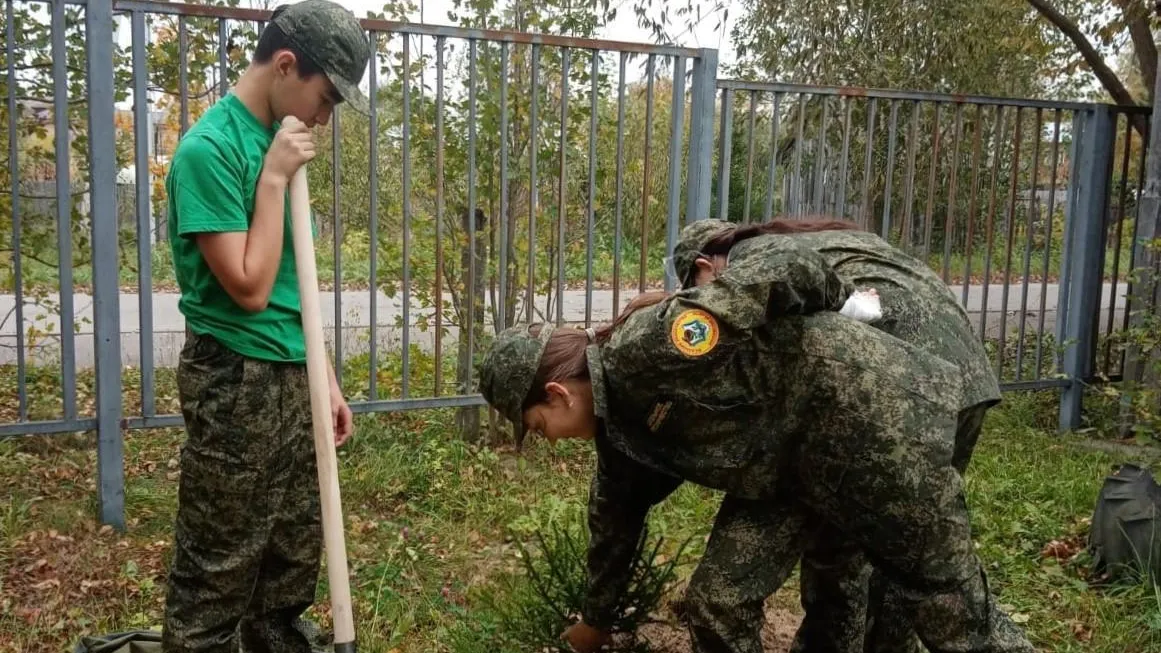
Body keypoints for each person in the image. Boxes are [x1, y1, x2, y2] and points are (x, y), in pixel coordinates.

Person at [477, 250, 1031, 653]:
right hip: (791, 466)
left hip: (869, 426)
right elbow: (613, 521)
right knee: (719, 597)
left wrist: (846, 307)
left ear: (556, 392)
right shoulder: (617, 428)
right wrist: (594, 624)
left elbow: (784, 263)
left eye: (537, 424)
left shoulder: (652, 345)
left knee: (946, 607)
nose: (547, 438)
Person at [669, 216, 1003, 653]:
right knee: (898, 551)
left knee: (869, 546)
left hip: (893, 393)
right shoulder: (822, 235)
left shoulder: (754, 259)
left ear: (704, 265)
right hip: (966, 380)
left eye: (696, 286)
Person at [161, 2, 370, 652]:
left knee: (289, 560)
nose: (324, 118)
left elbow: (292, 289)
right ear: (286, 65)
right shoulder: (212, 150)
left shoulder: (279, 137)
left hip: (294, 375)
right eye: (325, 96)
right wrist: (274, 178)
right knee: (219, 569)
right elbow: (250, 288)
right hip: (236, 380)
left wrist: (325, 378)